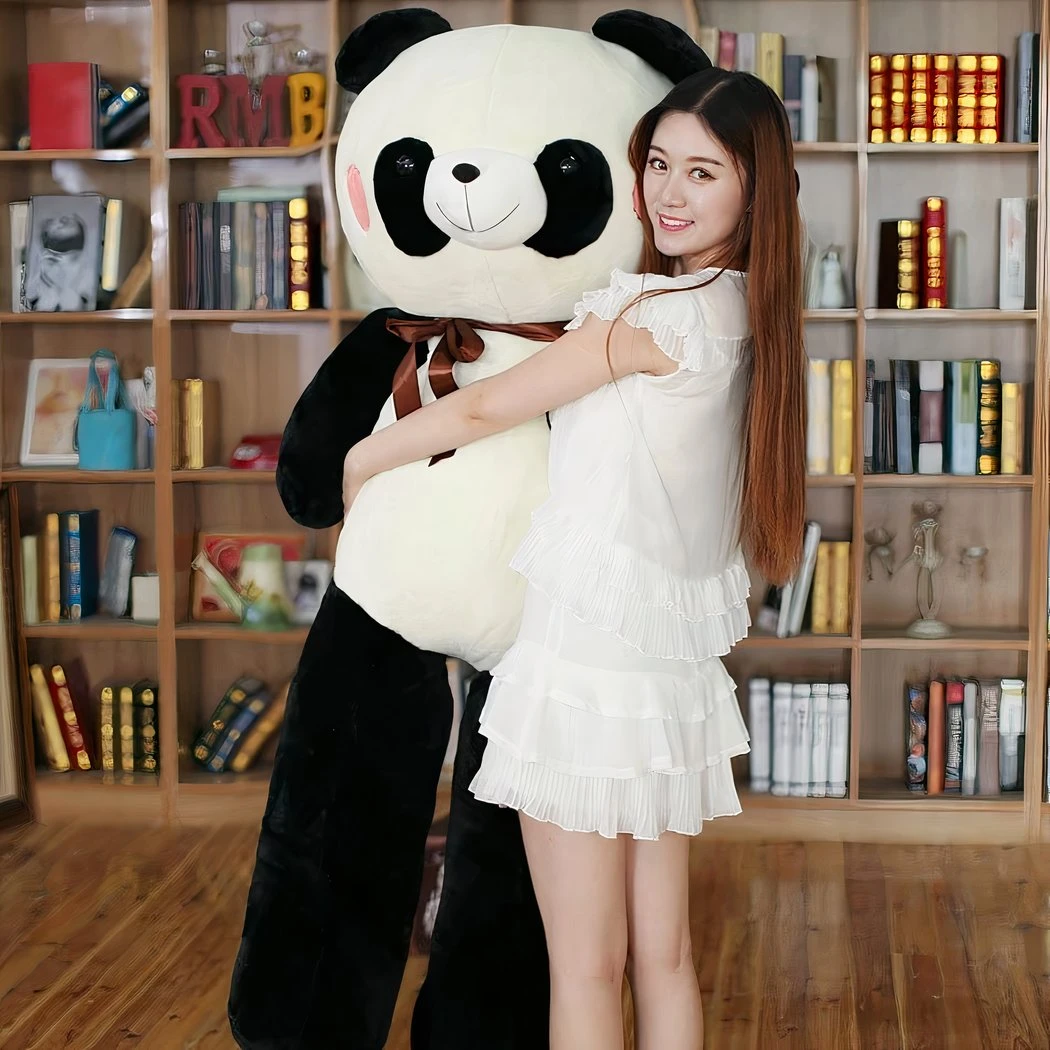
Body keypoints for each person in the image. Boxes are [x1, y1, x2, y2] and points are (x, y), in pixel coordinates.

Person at [341, 66, 806, 1050]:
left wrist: (364, 457)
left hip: (586, 671)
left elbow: (482, 407)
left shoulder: (649, 318)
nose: (669, 193)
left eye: (703, 173)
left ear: (754, 188)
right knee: (663, 957)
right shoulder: (745, 314)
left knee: (586, 967)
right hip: (664, 677)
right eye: (658, 164)